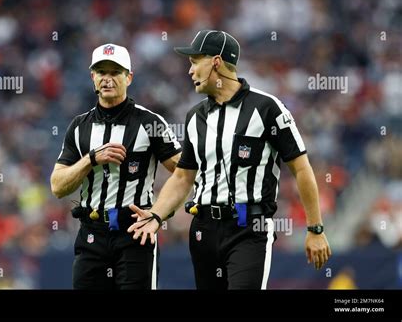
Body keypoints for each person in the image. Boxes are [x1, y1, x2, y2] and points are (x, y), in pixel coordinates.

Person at [128, 30, 332, 289]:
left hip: (249, 229)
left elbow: (301, 168)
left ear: (216, 62)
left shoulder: (267, 108)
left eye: (194, 62)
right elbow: (182, 176)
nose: (190, 71)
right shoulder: (195, 116)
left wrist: (315, 229)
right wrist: (156, 215)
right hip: (204, 229)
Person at [50, 43, 181, 289]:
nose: (107, 79)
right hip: (91, 235)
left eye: (115, 72)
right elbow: (57, 186)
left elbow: (184, 173)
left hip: (135, 233)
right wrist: (91, 159)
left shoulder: (150, 123)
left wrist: (158, 214)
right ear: (92, 78)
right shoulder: (79, 127)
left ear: (128, 77)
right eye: (101, 72)